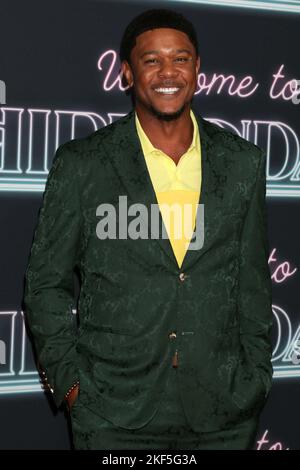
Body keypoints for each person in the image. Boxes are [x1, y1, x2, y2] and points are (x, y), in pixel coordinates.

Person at [23, 8, 273, 450]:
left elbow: (252, 282)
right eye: (151, 60)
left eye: (180, 58)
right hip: (112, 413)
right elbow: (45, 284)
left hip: (225, 413)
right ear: (126, 72)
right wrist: (71, 385)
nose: (167, 72)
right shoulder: (83, 164)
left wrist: (255, 377)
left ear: (197, 69)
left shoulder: (243, 162)